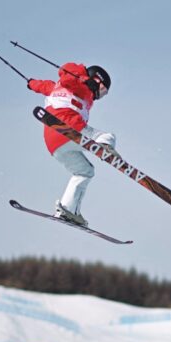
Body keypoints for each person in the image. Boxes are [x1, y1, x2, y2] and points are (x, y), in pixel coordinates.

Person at [28, 63, 116, 227]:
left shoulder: (58, 87)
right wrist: (83, 79)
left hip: (54, 142)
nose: (99, 95)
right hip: (68, 127)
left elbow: (44, 86)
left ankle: (68, 211)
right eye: (102, 89)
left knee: (85, 171)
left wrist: (31, 83)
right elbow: (67, 73)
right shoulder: (79, 83)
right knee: (107, 136)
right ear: (96, 80)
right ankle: (105, 146)